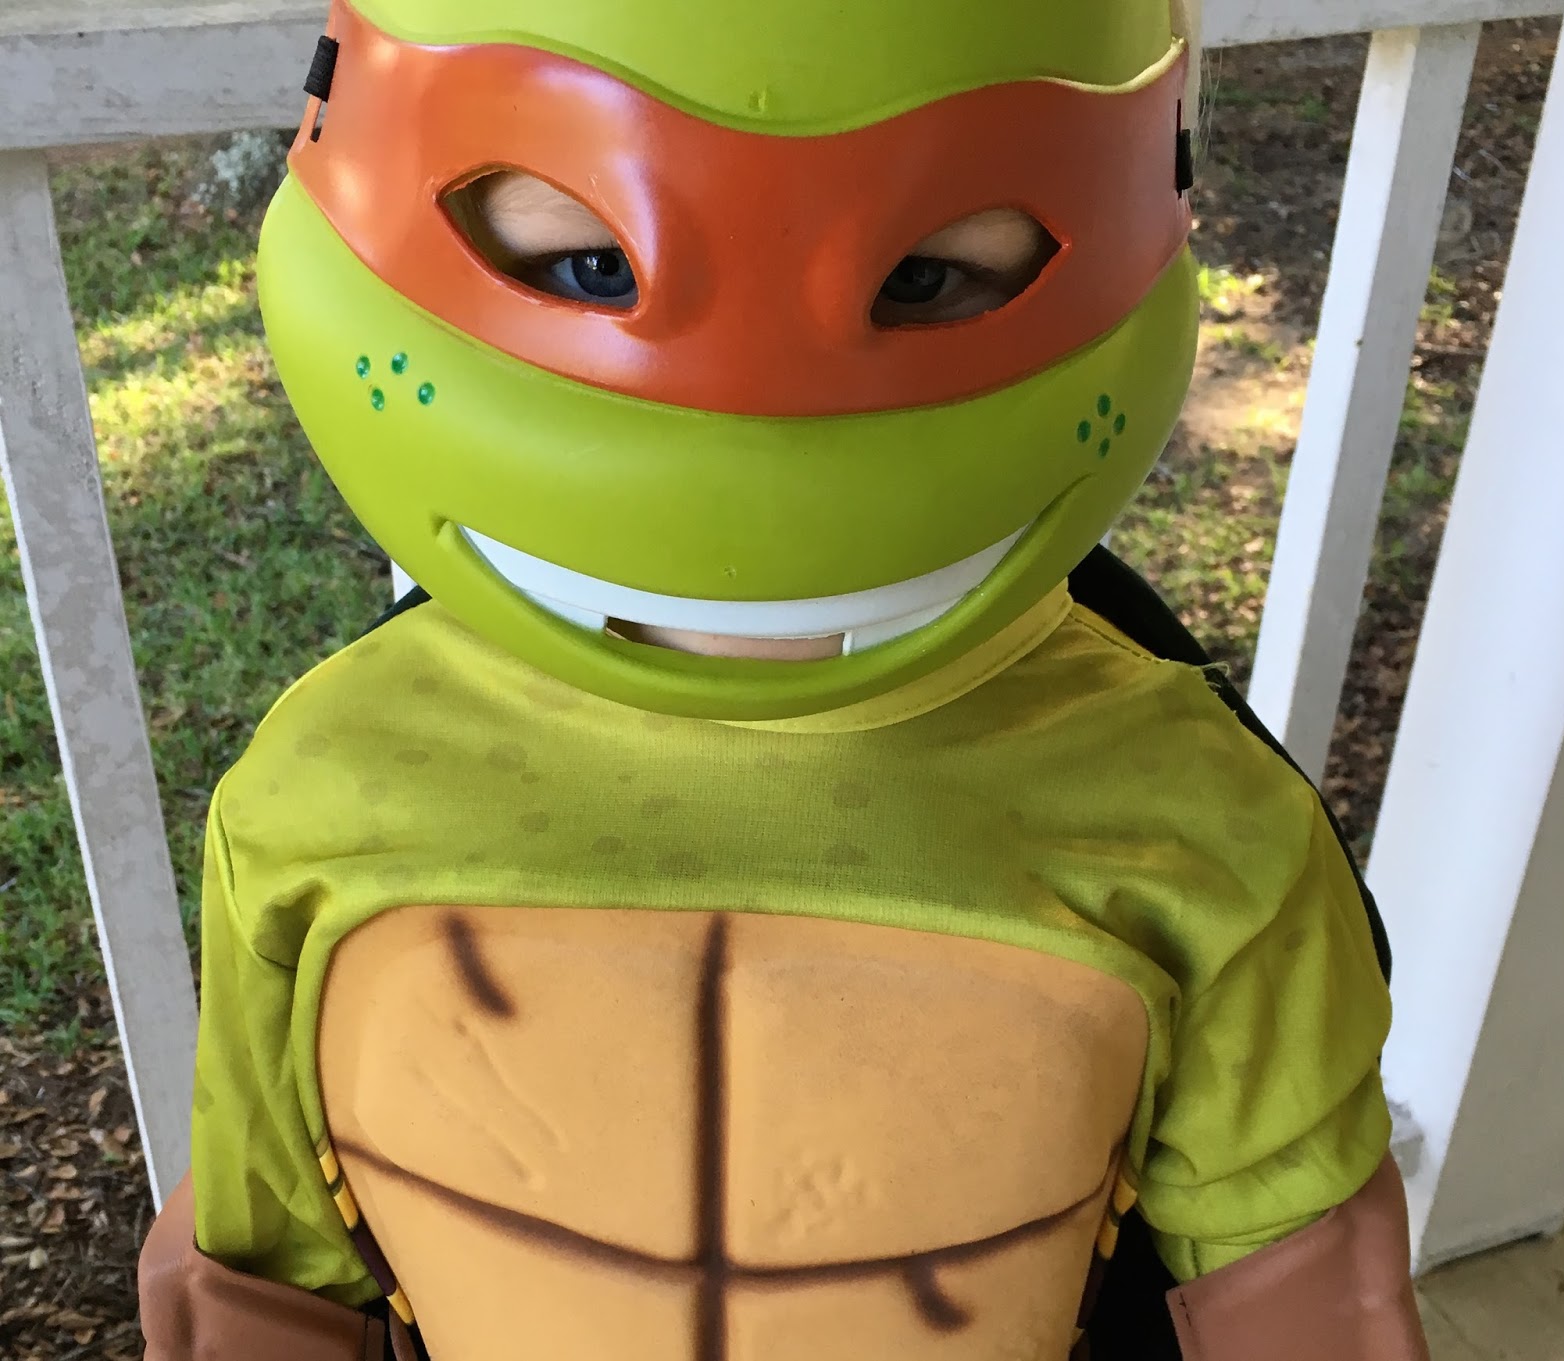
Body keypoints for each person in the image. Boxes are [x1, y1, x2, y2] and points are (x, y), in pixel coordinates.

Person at [137, 0, 1431, 1357]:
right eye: (588, 265)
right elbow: (262, 1280)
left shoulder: (1207, 830)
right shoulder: (310, 803)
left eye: (925, 280)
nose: (748, 429)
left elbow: (1301, 1300)